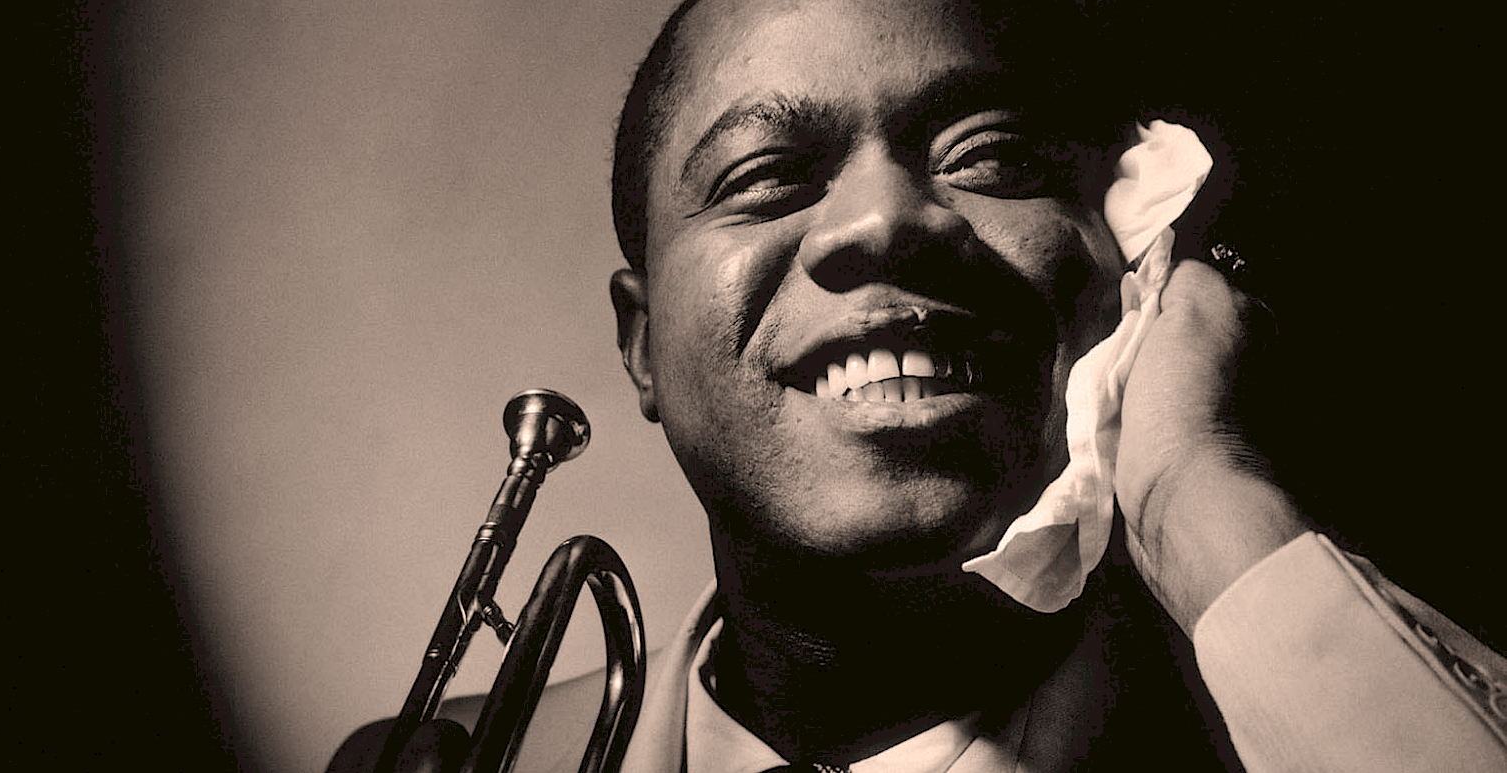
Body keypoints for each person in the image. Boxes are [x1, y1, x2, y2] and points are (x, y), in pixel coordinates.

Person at [329, 0, 1506, 770]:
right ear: (640, 345)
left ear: (1130, 266)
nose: (887, 220)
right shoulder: (453, 759)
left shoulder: (1301, 709)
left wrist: (1204, 499)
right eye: (763, 175)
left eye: (988, 157)